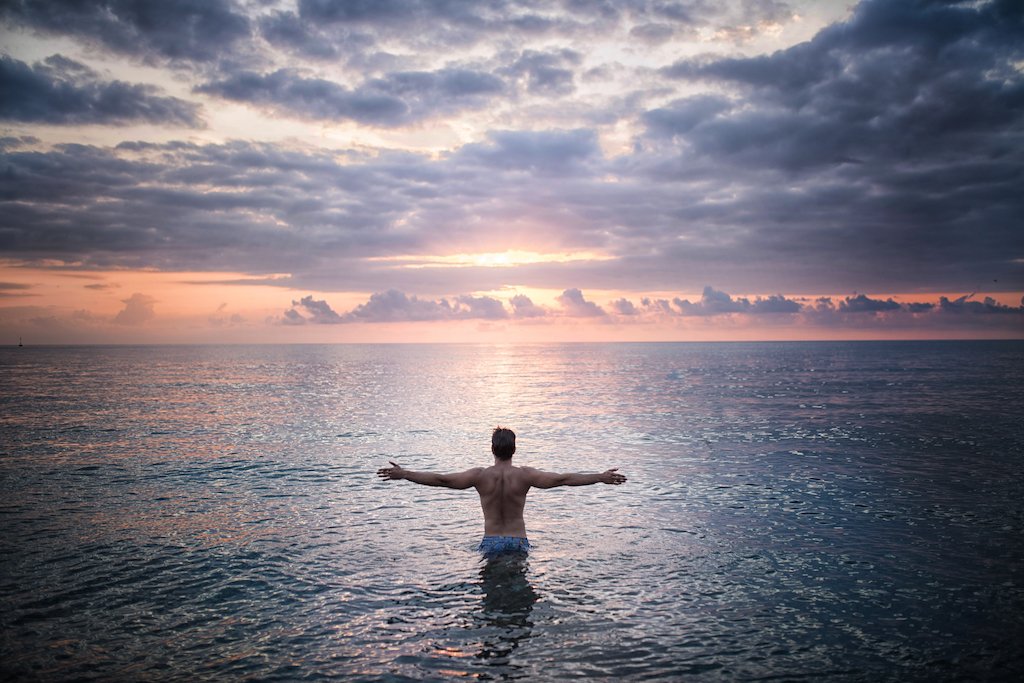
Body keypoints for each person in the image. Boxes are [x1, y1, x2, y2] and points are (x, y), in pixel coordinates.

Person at [376, 426, 627, 556]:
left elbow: (442, 480)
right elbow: (563, 479)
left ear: (492, 449)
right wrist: (600, 477)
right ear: (514, 449)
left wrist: (406, 474)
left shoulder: (480, 476)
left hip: (491, 542)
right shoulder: (526, 475)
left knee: (491, 596)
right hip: (518, 543)